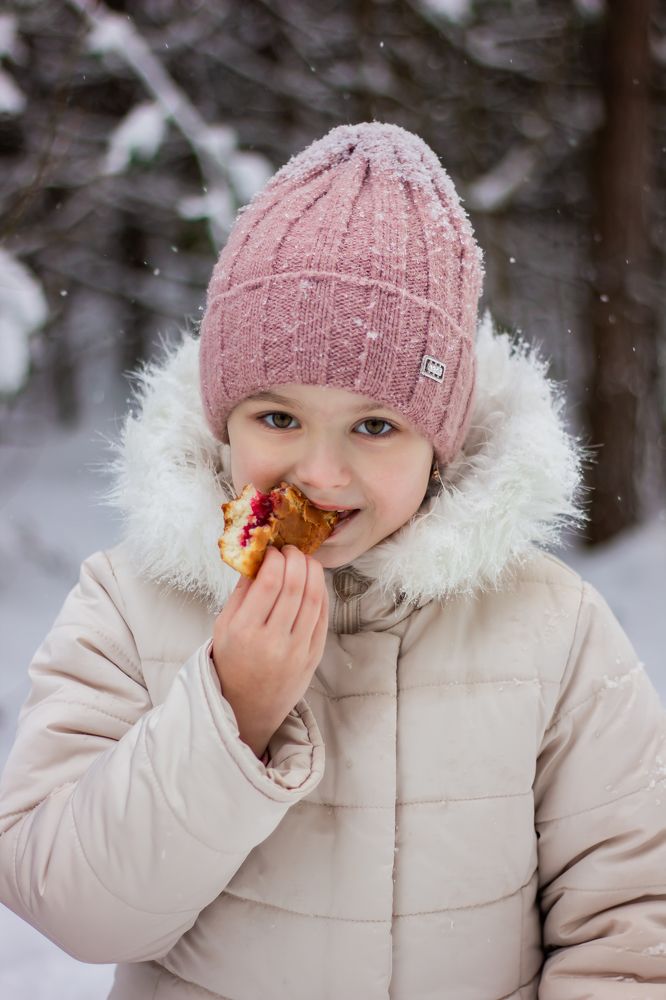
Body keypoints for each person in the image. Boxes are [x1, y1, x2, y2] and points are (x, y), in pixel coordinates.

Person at [0, 122, 665, 1000]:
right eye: (278, 419)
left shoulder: (554, 628)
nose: (319, 472)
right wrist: (230, 713)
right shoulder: (131, 603)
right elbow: (73, 908)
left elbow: (629, 929)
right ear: (221, 420)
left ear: (443, 440)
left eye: (375, 425)